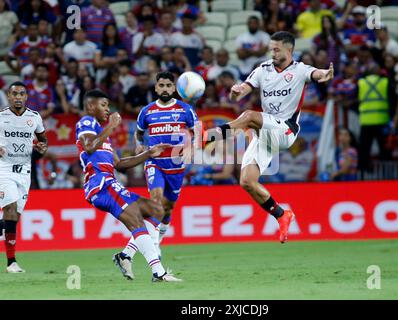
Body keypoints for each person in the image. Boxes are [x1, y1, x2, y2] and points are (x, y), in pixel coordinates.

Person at [203, 31, 334, 243]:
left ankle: (215, 135)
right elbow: (244, 89)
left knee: (249, 116)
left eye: (276, 49)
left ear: (288, 49)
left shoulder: (300, 70)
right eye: (271, 49)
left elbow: (316, 74)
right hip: (265, 133)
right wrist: (236, 92)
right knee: (246, 181)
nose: (272, 53)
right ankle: (282, 215)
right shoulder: (263, 69)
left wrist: (324, 75)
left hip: (285, 131)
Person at [75, 89, 181, 282]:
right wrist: (112, 126)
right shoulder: (86, 122)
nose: (108, 110)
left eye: (108, 105)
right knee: (136, 221)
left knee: (157, 210)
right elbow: (89, 147)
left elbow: (119, 164)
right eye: (103, 105)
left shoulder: (103, 136)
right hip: (101, 185)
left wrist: (149, 153)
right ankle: (159, 273)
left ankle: (125, 256)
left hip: (110, 183)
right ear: (91, 106)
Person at [116, 71, 199, 278]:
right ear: (155, 88)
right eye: (161, 85)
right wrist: (139, 146)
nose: (164, 89)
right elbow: (138, 132)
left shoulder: (185, 110)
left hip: (176, 168)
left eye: (168, 85)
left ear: (175, 88)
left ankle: (141, 248)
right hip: (155, 165)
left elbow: (196, 132)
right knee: (155, 204)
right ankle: (145, 258)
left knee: (167, 210)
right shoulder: (147, 111)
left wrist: (192, 148)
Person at [0, 81, 48, 273]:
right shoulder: (1, 117)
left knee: (13, 219)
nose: (18, 97)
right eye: (14, 94)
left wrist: (41, 148)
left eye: (21, 94)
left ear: (26, 97)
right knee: (10, 209)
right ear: (9, 96)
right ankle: (11, 262)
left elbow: (43, 141)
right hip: (4, 168)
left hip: (25, 172)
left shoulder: (34, 117)